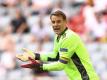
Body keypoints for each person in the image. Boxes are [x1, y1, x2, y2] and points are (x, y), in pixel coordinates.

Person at [16, 10, 99, 80]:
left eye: (59, 21)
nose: (55, 24)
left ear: (65, 22)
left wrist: (40, 66)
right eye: (53, 22)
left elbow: (61, 65)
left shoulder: (69, 37)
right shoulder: (58, 36)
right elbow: (55, 56)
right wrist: (35, 56)